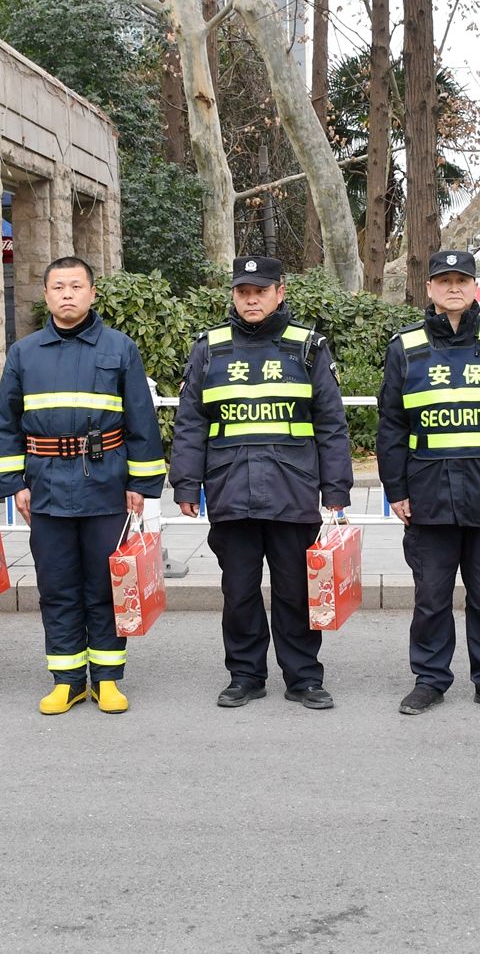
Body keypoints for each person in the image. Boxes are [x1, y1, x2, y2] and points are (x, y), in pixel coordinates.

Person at [170, 256, 353, 709]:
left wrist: (336, 491)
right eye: (243, 292)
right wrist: (186, 483)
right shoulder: (209, 348)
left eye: (260, 291)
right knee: (239, 592)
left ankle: (304, 677)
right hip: (231, 489)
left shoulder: (307, 347)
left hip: (293, 489)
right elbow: (191, 422)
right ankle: (246, 675)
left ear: (279, 292)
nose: (251, 299)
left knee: (296, 590)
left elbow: (331, 425)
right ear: (233, 295)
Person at [0, 256, 166, 716]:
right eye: (58, 287)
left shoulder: (119, 348)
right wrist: (14, 483)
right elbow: (6, 422)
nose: (67, 294)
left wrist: (141, 483)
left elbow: (141, 421)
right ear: (46, 295)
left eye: (75, 286)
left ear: (92, 292)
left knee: (107, 584)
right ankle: (67, 681)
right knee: (57, 586)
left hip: (105, 484)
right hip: (45, 487)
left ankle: (107, 678)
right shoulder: (24, 353)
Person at [376, 250, 480, 716]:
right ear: (429, 288)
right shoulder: (405, 347)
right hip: (428, 490)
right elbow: (392, 425)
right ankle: (430, 679)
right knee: (431, 596)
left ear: (474, 287)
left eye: (462, 280)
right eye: (444, 280)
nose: (453, 287)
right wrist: (395, 490)